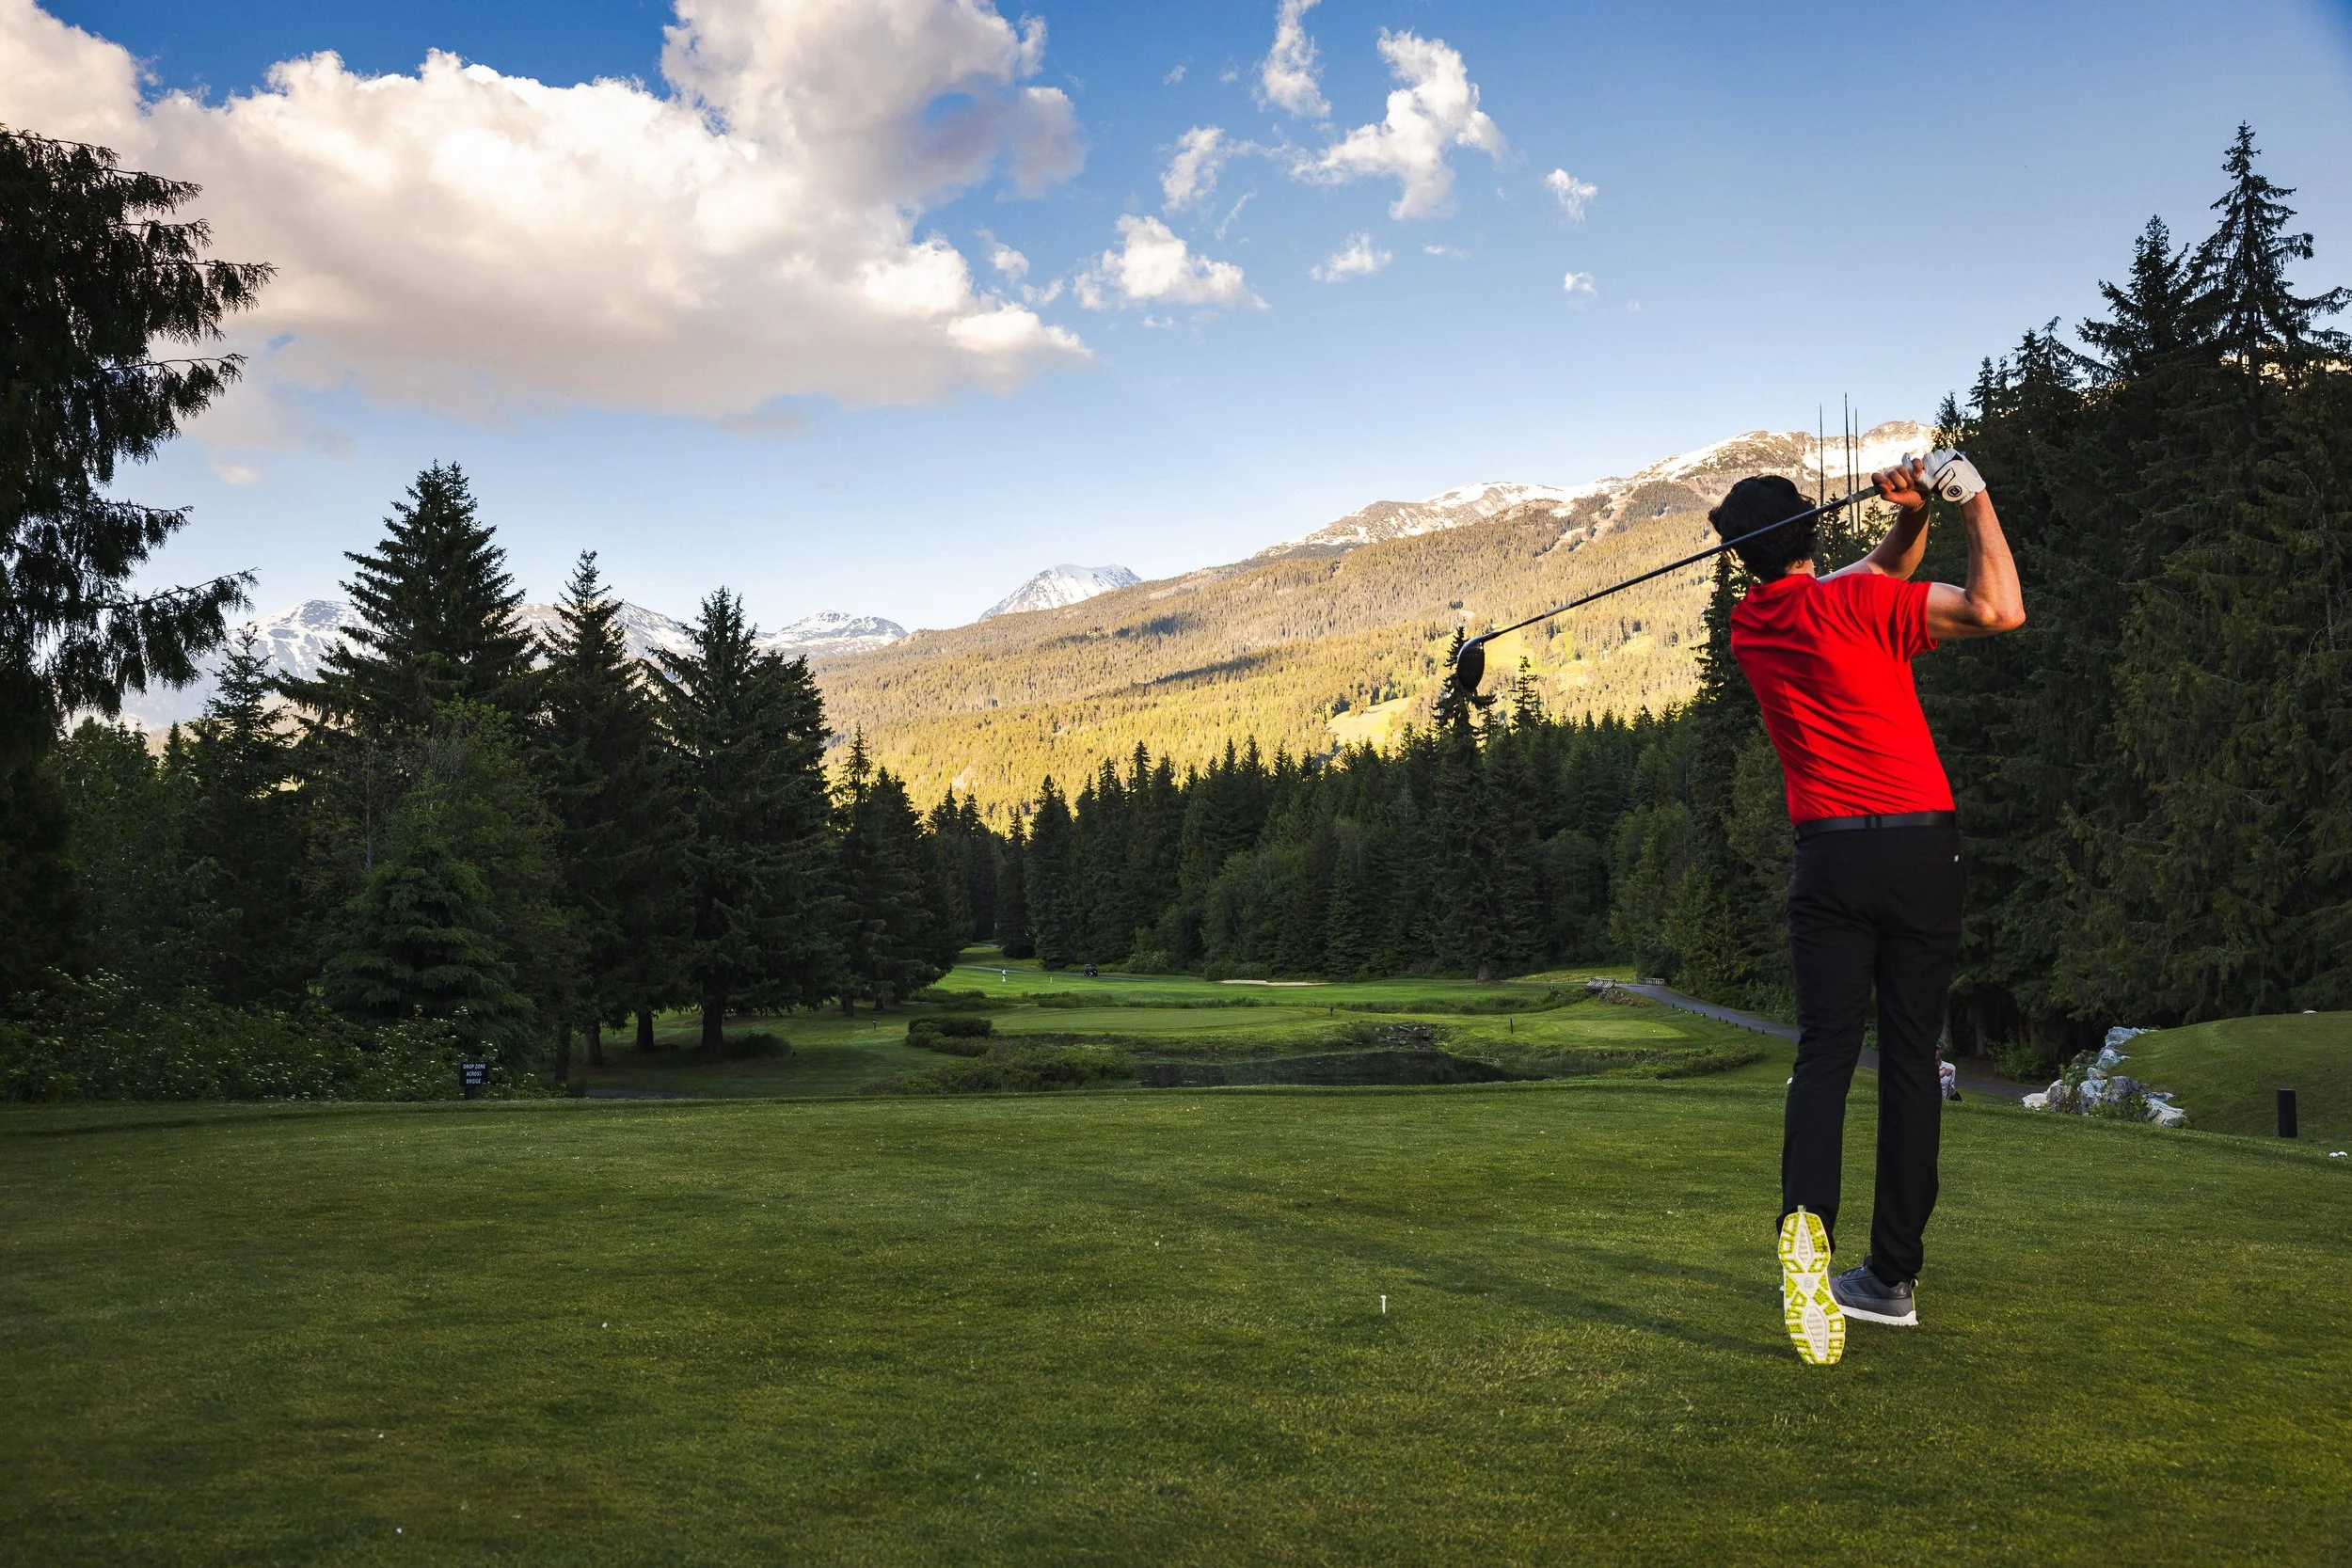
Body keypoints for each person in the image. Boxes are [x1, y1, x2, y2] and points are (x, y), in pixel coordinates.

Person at [1712, 456, 2025, 1364]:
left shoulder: (1751, 625)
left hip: (1830, 860)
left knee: (1824, 1055)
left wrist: (1911, 516)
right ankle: (1888, 1279)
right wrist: (1972, 497)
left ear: (1744, 561)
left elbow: (1868, 575)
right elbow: (2000, 608)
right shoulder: (1870, 606)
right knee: (1910, 1061)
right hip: (1923, 849)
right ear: (1814, 533)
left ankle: (1806, 1225)